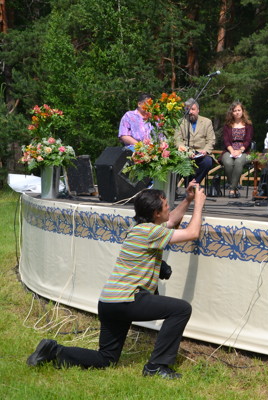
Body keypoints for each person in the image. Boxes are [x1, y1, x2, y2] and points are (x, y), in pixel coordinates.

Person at [27, 182, 207, 379]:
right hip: (127, 300)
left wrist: (188, 199)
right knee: (181, 309)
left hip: (109, 302)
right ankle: (156, 366)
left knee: (106, 358)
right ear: (156, 213)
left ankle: (53, 351)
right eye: (166, 205)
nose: (169, 208)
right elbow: (192, 233)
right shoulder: (150, 232)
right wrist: (198, 204)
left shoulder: (140, 228)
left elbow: (171, 221)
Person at [175, 98, 216, 185]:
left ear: (198, 110)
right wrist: (186, 151)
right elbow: (178, 140)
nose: (190, 112)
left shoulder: (207, 122)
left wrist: (205, 151)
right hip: (186, 153)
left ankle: (194, 184)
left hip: (202, 153)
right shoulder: (180, 122)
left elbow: (211, 140)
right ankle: (190, 186)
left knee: (208, 162)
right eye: (188, 110)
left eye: (193, 109)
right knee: (179, 163)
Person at [221, 101, 254, 198]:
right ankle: (234, 186)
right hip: (229, 149)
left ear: (243, 111)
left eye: (239, 110)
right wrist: (232, 151)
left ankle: (232, 189)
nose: (237, 112)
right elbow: (226, 140)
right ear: (232, 112)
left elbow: (248, 140)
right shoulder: (227, 125)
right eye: (235, 110)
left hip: (244, 151)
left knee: (238, 162)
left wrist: (240, 151)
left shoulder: (248, 125)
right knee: (228, 162)